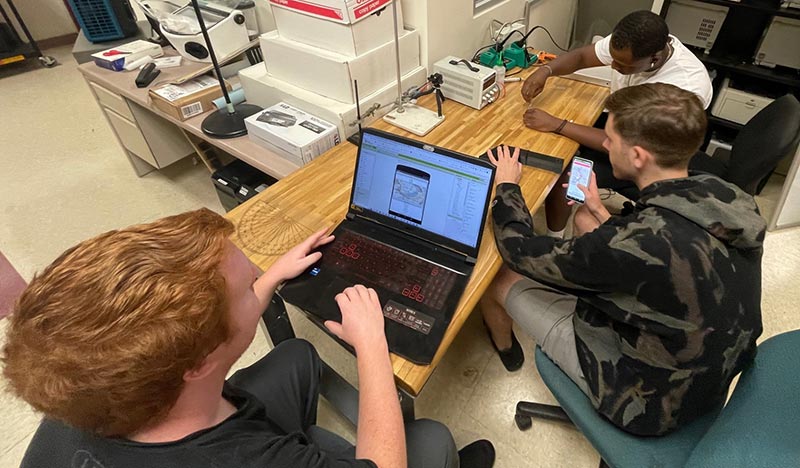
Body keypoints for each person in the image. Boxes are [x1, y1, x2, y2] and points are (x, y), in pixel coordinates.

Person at [3, 209, 495, 468]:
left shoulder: (82, 383)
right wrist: (371, 347)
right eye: (246, 286)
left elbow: (204, 332)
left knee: (297, 353)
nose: (259, 275)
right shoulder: (242, 461)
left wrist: (274, 275)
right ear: (196, 364)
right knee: (430, 440)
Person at [480, 83, 764, 436]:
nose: (605, 144)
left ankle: (506, 349)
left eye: (610, 139)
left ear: (639, 156)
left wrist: (507, 187)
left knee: (498, 275)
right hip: (709, 373)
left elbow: (518, 250)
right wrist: (602, 212)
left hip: (649, 402)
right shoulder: (726, 195)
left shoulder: (629, 244)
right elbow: (669, 248)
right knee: (585, 219)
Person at [521, 10, 713, 238]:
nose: (613, 66)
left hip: (651, 159)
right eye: (613, 58)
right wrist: (545, 71)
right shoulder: (632, 43)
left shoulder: (682, 88)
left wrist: (558, 124)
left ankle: (555, 239)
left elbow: (623, 145)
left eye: (623, 65)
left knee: (568, 172)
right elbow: (583, 57)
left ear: (655, 58)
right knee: (558, 146)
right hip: (625, 134)